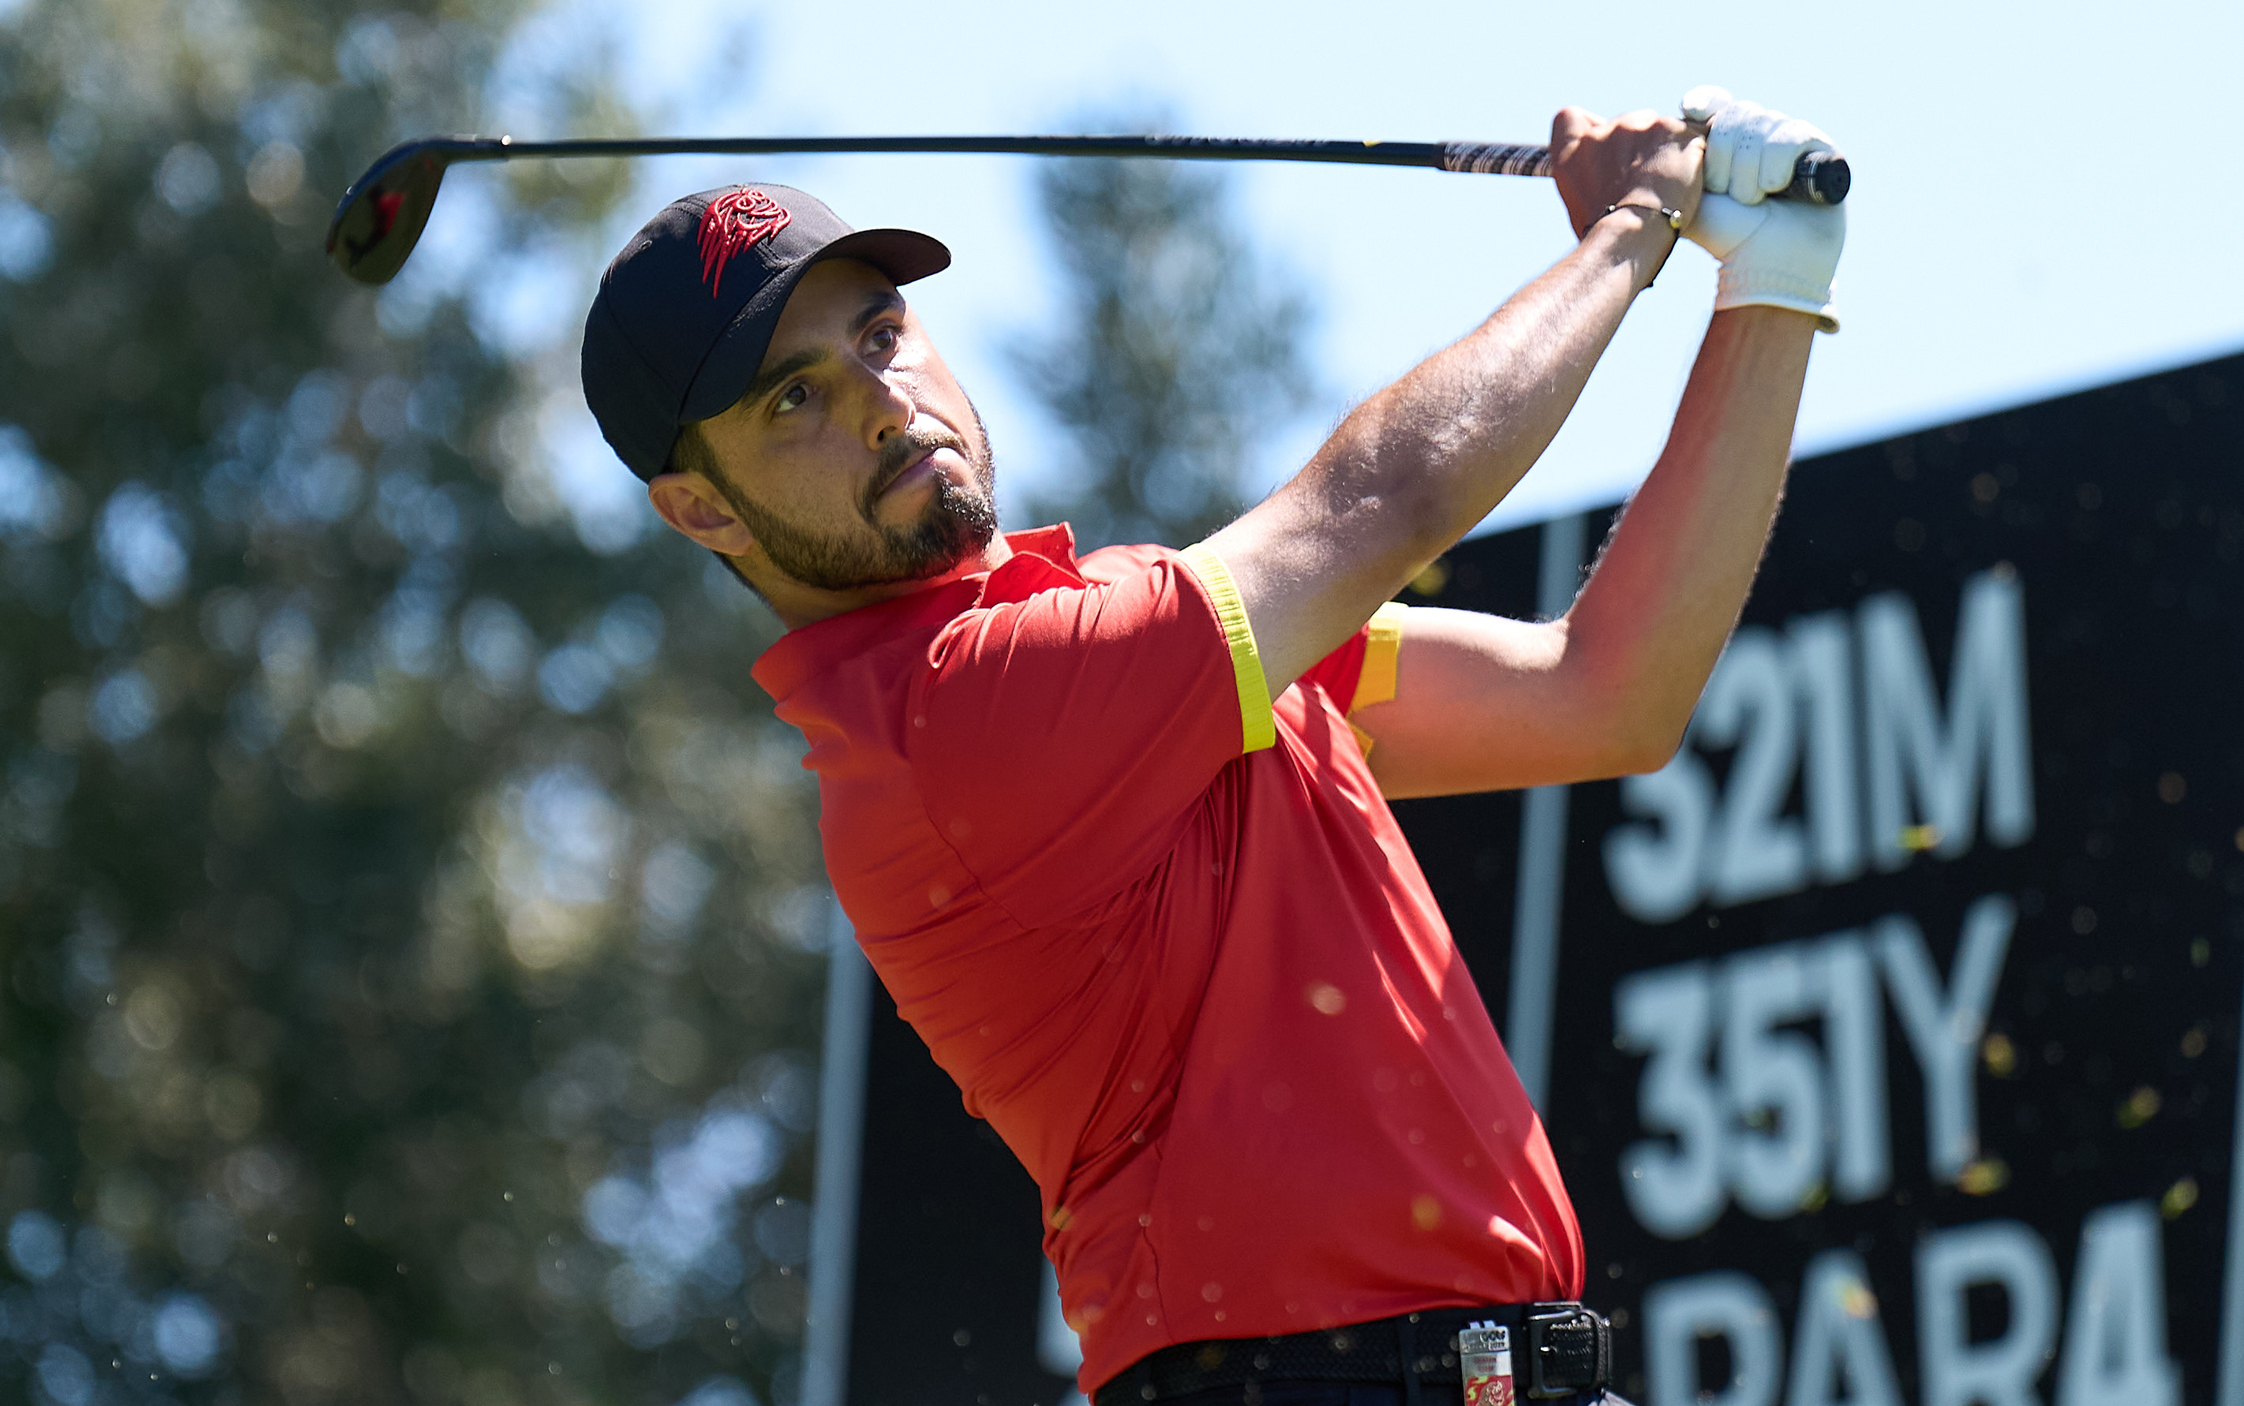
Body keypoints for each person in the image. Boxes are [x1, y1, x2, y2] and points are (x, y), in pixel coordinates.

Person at [580, 89, 1845, 1406]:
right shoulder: (955, 721)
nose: (886, 405)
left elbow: (1604, 696)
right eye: (797, 396)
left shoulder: (1149, 641)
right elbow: (1382, 502)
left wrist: (1774, 289)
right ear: (699, 509)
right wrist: (1632, 227)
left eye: (884, 333)